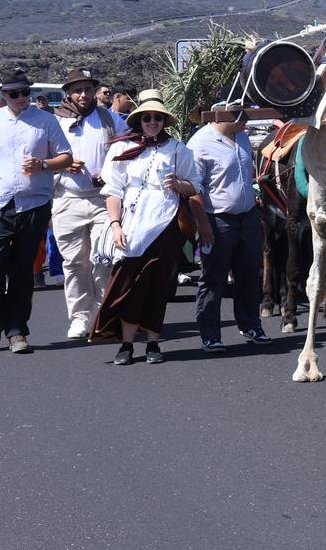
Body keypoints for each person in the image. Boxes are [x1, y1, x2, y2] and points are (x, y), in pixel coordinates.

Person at [0, 72, 74, 354]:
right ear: (4, 96)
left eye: (25, 92)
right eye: (15, 94)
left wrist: (44, 165)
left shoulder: (46, 121)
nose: (21, 98)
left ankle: (17, 331)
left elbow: (66, 157)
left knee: (23, 270)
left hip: (32, 204)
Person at [100, 90, 212, 366]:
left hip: (166, 224)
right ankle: (126, 344)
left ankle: (153, 342)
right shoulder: (121, 148)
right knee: (130, 286)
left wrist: (177, 184)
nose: (153, 122)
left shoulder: (177, 149)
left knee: (158, 286)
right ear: (139, 120)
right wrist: (115, 225)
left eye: (158, 118)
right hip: (133, 225)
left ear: (164, 121)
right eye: (148, 118)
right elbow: (113, 191)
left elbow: (195, 185)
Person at [187, 100, 269, 350]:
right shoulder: (200, 144)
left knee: (249, 274)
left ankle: (250, 324)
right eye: (240, 113)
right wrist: (203, 224)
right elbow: (193, 188)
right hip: (218, 219)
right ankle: (210, 334)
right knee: (214, 277)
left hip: (248, 216)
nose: (247, 118)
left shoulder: (242, 136)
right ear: (222, 113)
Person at [51, 67, 116, 340]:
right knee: (75, 263)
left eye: (88, 89)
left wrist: (109, 171)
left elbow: (123, 150)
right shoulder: (54, 122)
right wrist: (64, 167)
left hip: (102, 200)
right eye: (77, 90)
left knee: (103, 259)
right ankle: (79, 318)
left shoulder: (108, 119)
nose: (83, 94)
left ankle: (104, 316)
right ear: (68, 92)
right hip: (67, 201)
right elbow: (41, 159)